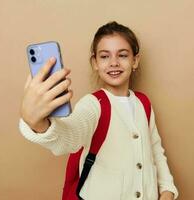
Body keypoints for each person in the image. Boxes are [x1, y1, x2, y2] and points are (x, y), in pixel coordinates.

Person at [19, 21, 178, 200]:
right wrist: (37, 124)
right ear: (94, 62)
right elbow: (69, 136)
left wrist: (167, 189)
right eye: (104, 56)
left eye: (123, 55)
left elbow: (155, 150)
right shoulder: (92, 104)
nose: (114, 63)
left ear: (135, 60)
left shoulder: (144, 103)